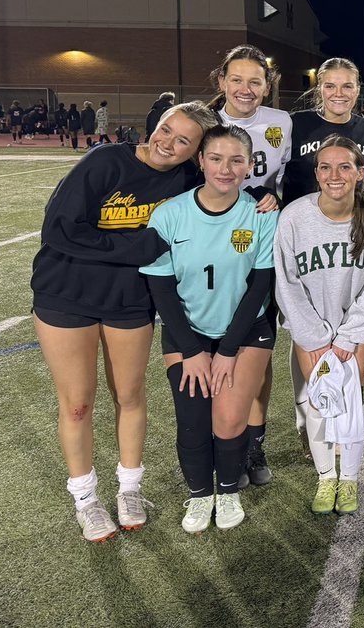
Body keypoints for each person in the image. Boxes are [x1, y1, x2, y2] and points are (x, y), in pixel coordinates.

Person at [31, 101, 218, 541]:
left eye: (183, 141)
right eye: (167, 130)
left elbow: (225, 190)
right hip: (66, 294)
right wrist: (135, 250)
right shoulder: (104, 161)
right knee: (77, 402)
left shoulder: (187, 178)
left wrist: (266, 199)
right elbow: (59, 228)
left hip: (130, 300)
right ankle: (86, 499)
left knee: (130, 395)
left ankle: (129, 489)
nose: (167, 142)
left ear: (195, 153)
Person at [140, 125, 278, 533]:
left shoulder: (261, 213)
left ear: (250, 165)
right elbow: (161, 292)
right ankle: (201, 496)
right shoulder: (169, 214)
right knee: (193, 421)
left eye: (237, 160)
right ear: (200, 161)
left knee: (230, 420)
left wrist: (228, 351)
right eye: (216, 158)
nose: (226, 168)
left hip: (245, 331)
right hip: (189, 333)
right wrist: (195, 351)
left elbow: (260, 287)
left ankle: (229, 489)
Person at [274, 136, 364, 516]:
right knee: (318, 402)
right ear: (316, 173)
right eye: (325, 167)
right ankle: (326, 477)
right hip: (313, 330)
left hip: (354, 329)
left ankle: (350, 478)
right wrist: (316, 337)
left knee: (350, 402)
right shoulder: (294, 215)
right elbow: (287, 281)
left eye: (344, 167)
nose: (334, 175)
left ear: (360, 173)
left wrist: (347, 336)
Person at [207, 45, 289, 487]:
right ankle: (219, 439)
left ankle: (253, 442)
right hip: (211, 248)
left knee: (259, 346)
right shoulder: (205, 124)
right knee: (212, 344)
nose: (245, 89)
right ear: (221, 82)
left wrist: (278, 196)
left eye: (255, 81)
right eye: (236, 80)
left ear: (267, 85)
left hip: (260, 244)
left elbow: (285, 178)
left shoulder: (281, 123)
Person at [282, 57, 364, 206]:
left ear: (357, 90)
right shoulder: (295, 124)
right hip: (302, 223)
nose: (339, 93)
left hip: (352, 222)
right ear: (320, 89)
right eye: (330, 86)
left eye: (347, 86)